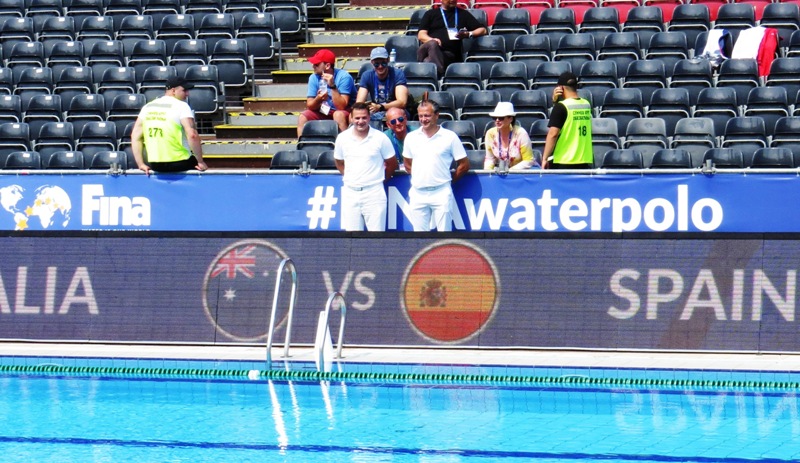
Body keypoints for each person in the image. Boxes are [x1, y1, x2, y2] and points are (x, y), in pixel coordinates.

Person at [403, 99, 470, 231]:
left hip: (441, 192)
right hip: (418, 192)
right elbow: (407, 164)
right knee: (418, 237)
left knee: (444, 235)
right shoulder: (411, 137)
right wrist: (421, 177)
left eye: (427, 115)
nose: (423, 119)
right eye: (420, 116)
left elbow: (464, 164)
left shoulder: (450, 137)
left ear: (436, 115)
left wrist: (447, 180)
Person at [333, 102, 399, 231]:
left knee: (376, 236)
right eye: (357, 118)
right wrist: (352, 178)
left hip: (374, 193)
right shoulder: (342, 138)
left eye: (364, 117)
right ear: (351, 118)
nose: (360, 121)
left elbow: (392, 163)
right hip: (350, 192)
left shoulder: (380, 138)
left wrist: (379, 180)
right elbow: (339, 162)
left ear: (369, 118)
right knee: (352, 237)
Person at [131, 76, 208, 175]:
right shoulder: (182, 106)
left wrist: (140, 164)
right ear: (173, 90)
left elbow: (135, 136)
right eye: (184, 90)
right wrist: (200, 161)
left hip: (156, 164)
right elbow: (192, 135)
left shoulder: (147, 107)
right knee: (201, 168)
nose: (187, 94)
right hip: (180, 161)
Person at [417, 0, 487, 77]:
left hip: (449, 54)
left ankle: (432, 74)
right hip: (428, 49)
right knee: (433, 44)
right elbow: (421, 35)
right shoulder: (430, 14)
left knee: (427, 61)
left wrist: (469, 34)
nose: (452, 0)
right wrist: (432, 40)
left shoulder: (462, 14)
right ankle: (439, 74)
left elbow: (483, 30)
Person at [297, 49, 356, 137]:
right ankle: (302, 144)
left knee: (338, 115)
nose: (313, 66)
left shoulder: (344, 77)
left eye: (316, 64)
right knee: (303, 117)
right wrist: (318, 99)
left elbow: (341, 106)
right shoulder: (313, 77)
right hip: (324, 111)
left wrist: (332, 86)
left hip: (344, 111)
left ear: (327, 65)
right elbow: (310, 105)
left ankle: (344, 144)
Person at [542, 72, 594, 170]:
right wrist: (557, 103)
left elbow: (553, 134)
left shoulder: (561, 107)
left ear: (561, 88)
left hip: (564, 160)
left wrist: (545, 158)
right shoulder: (586, 104)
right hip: (584, 160)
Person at [356, 47, 409, 123]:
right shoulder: (367, 75)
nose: (380, 66)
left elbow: (402, 102)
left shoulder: (397, 74)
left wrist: (381, 107)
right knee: (355, 116)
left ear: (388, 60)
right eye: (377, 64)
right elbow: (359, 103)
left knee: (397, 116)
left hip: (395, 109)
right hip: (375, 110)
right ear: (372, 62)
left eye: (383, 63)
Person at [483, 102, 537, 171]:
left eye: (501, 118)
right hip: (505, 172)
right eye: (495, 118)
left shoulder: (521, 133)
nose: (497, 120)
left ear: (510, 119)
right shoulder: (490, 134)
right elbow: (490, 159)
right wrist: (487, 173)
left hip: (525, 172)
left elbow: (528, 160)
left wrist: (510, 171)